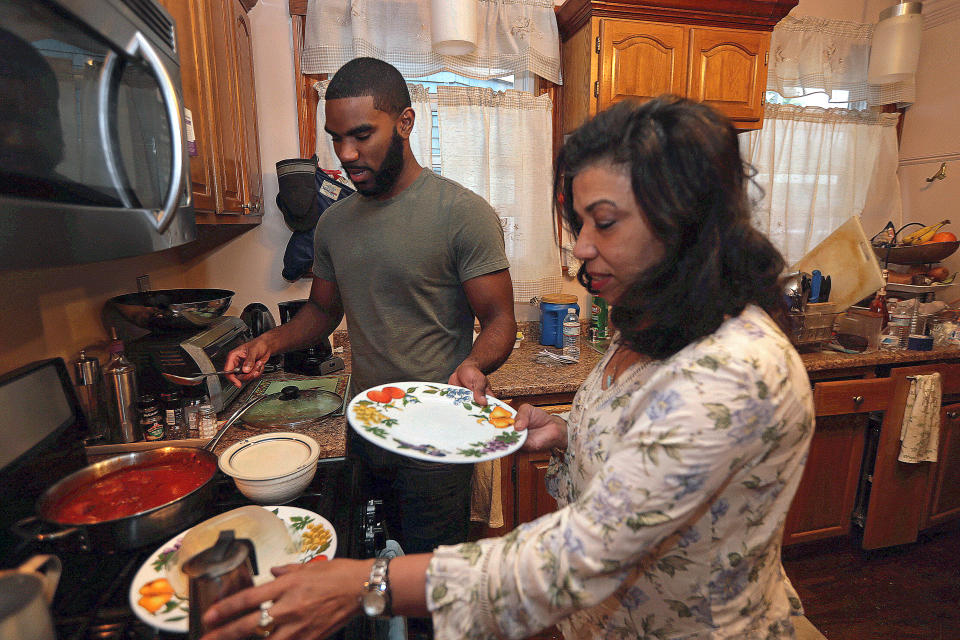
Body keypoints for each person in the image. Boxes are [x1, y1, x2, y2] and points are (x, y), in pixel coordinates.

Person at [204, 96, 815, 640]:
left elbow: (578, 557)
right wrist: (568, 433)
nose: (579, 246)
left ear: (687, 221)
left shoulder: (736, 371)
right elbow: (650, 450)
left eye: (603, 222)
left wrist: (364, 583)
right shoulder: (657, 323)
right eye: (579, 223)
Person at [224, 57, 517, 558]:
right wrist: (267, 342)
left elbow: (499, 321)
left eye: (361, 134)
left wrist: (472, 364)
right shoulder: (334, 223)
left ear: (405, 122)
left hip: (435, 437)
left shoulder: (462, 214)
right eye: (336, 138)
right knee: (367, 568)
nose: (347, 153)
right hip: (365, 425)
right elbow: (322, 312)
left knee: (428, 579)